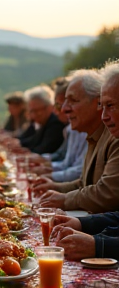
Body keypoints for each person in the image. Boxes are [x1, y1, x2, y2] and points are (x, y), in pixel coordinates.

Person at [35, 69, 119, 213]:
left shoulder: (114, 136)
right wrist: (56, 188)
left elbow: (107, 194)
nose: (64, 109)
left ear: (96, 103)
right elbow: (85, 183)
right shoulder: (94, 135)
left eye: (73, 101)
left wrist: (65, 199)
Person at [30, 78, 87, 182]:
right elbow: (66, 161)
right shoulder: (70, 129)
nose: (57, 111)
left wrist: (50, 174)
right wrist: (46, 165)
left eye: (58, 105)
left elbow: (80, 172)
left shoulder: (60, 125)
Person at [18, 85, 66, 154]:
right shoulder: (43, 122)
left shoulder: (55, 123)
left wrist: (24, 150)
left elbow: (44, 149)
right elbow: (33, 140)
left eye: (37, 111)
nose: (34, 115)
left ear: (49, 107)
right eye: (31, 111)